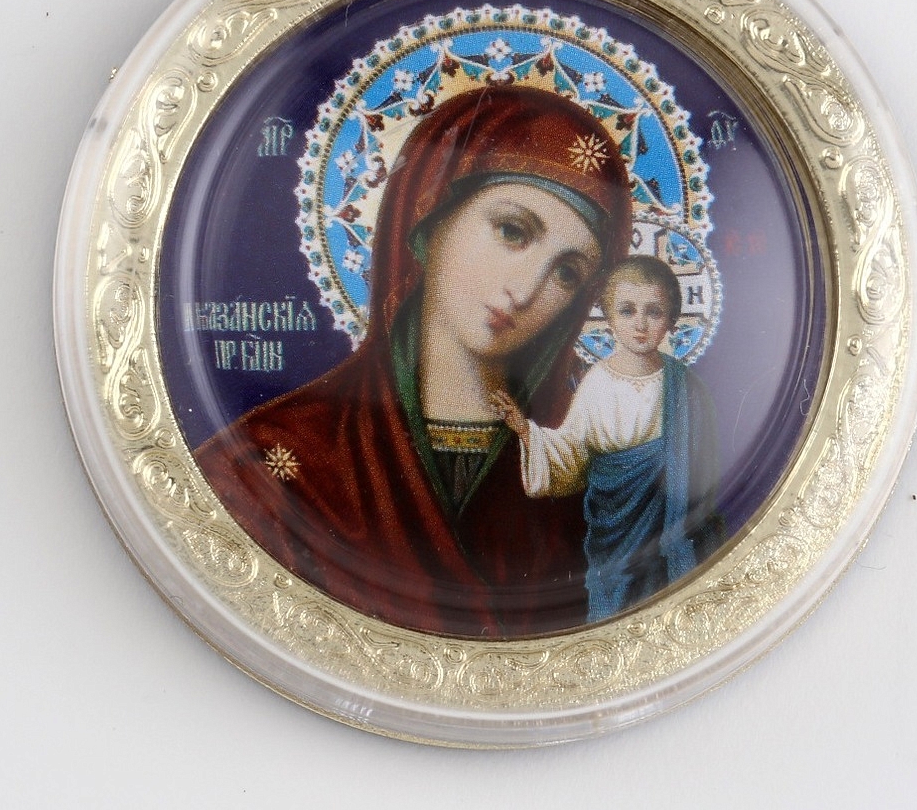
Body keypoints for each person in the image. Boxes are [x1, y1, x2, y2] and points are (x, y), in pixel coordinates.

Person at [195, 85, 632, 638]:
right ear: (431, 215)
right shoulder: (272, 461)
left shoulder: (590, 477)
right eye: (512, 231)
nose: (526, 290)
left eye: (567, 273)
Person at [492, 256, 723, 622]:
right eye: (627, 311)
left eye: (654, 312)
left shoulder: (688, 389)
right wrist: (525, 430)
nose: (640, 325)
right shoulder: (597, 382)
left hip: (670, 531)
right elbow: (572, 452)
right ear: (610, 318)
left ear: (671, 320)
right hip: (613, 532)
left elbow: (704, 478)